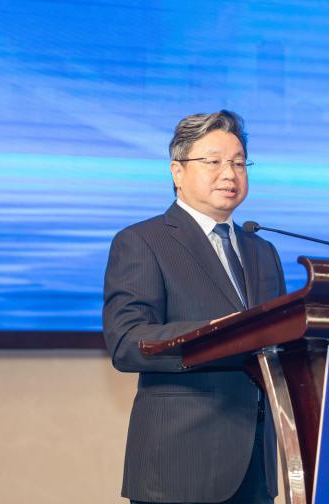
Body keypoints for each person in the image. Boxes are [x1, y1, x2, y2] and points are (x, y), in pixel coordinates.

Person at [103, 110, 285, 504]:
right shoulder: (142, 241)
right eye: (213, 161)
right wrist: (213, 334)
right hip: (180, 464)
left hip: (256, 466)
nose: (229, 174)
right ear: (177, 171)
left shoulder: (263, 251)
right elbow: (126, 341)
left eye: (239, 163)